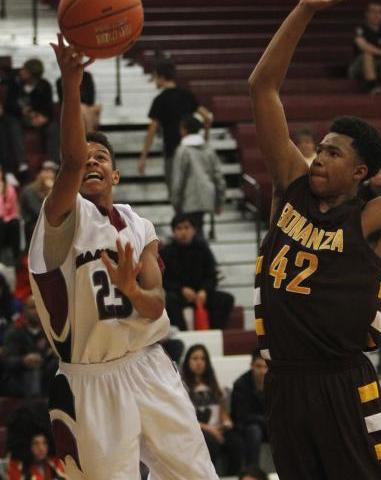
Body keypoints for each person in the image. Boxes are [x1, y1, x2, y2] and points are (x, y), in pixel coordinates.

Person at [248, 0, 381, 477]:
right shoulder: (291, 184)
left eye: (333, 153)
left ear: (361, 172)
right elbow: (262, 87)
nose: (319, 158)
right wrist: (305, 8)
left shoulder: (371, 218)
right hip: (284, 381)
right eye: (320, 149)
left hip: (341, 383)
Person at [27, 34, 218, 480]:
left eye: (102, 157)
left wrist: (131, 288)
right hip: (90, 381)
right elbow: (71, 161)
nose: (91, 162)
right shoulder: (62, 216)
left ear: (115, 173)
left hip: (148, 366)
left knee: (199, 476)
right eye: (85, 157)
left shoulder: (140, 225)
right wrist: (71, 83)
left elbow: (156, 305)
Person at [139, 58, 213, 192]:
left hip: (172, 153)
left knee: (175, 194)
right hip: (192, 151)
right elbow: (207, 117)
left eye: (155, 77)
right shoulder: (187, 95)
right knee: (191, 192)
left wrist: (144, 156)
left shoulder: (160, 100)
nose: (154, 81)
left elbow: (152, 131)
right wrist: (205, 139)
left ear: (161, 77)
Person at [162, 213, 234, 330]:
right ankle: (182, 335)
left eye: (186, 227)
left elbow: (212, 276)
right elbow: (164, 279)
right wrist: (181, 289)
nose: (183, 232)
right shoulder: (167, 252)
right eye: (179, 228)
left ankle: (214, 332)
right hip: (179, 295)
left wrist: (204, 291)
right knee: (169, 300)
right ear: (173, 231)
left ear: (194, 230)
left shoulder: (203, 249)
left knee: (226, 299)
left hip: (201, 295)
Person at [181, 344, 243, 475]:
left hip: (217, 428)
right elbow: (184, 418)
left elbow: (222, 411)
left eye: (203, 359)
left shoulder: (212, 384)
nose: (199, 362)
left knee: (236, 442)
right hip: (198, 430)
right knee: (210, 442)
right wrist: (211, 430)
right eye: (195, 358)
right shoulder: (181, 386)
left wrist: (226, 422)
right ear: (187, 362)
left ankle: (232, 476)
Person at [171, 113, 226, 236]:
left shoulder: (183, 150)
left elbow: (178, 179)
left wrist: (175, 201)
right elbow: (218, 177)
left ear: (184, 129)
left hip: (188, 199)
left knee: (192, 234)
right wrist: (219, 201)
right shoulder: (208, 149)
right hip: (207, 196)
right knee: (198, 230)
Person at [5, 58, 60, 164]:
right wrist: (22, 111)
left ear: (32, 74)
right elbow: (9, 105)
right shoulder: (15, 83)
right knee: (12, 124)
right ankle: (22, 162)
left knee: (53, 127)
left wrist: (43, 117)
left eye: (25, 70)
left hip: (37, 117)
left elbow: (48, 107)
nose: (21, 71)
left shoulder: (44, 85)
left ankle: (52, 162)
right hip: (19, 117)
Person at [2, 295, 57, 397]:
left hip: (44, 374)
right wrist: (23, 361)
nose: (36, 311)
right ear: (24, 310)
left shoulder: (49, 332)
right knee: (33, 371)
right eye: (32, 308)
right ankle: (34, 405)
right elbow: (7, 361)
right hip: (20, 376)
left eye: (39, 307)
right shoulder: (14, 332)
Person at [6, 402, 66, 480]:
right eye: (35, 443)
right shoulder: (16, 466)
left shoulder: (55, 463)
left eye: (45, 443)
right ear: (26, 445)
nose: (41, 448)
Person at [231, 350, 268, 467]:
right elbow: (241, 416)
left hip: (268, 423)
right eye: (258, 366)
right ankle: (252, 470)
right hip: (246, 426)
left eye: (265, 367)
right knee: (254, 431)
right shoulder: (240, 384)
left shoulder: (274, 382)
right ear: (251, 366)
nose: (262, 371)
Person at [20, 160, 57, 249]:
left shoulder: (56, 190)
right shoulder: (29, 191)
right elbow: (39, 211)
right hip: (33, 225)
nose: (50, 175)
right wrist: (51, 191)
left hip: (51, 224)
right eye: (47, 171)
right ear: (39, 173)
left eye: (52, 172)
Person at [0, 164, 21, 266]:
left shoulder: (9, 189)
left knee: (15, 223)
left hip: (8, 220)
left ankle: (16, 258)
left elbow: (14, 211)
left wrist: (7, 218)